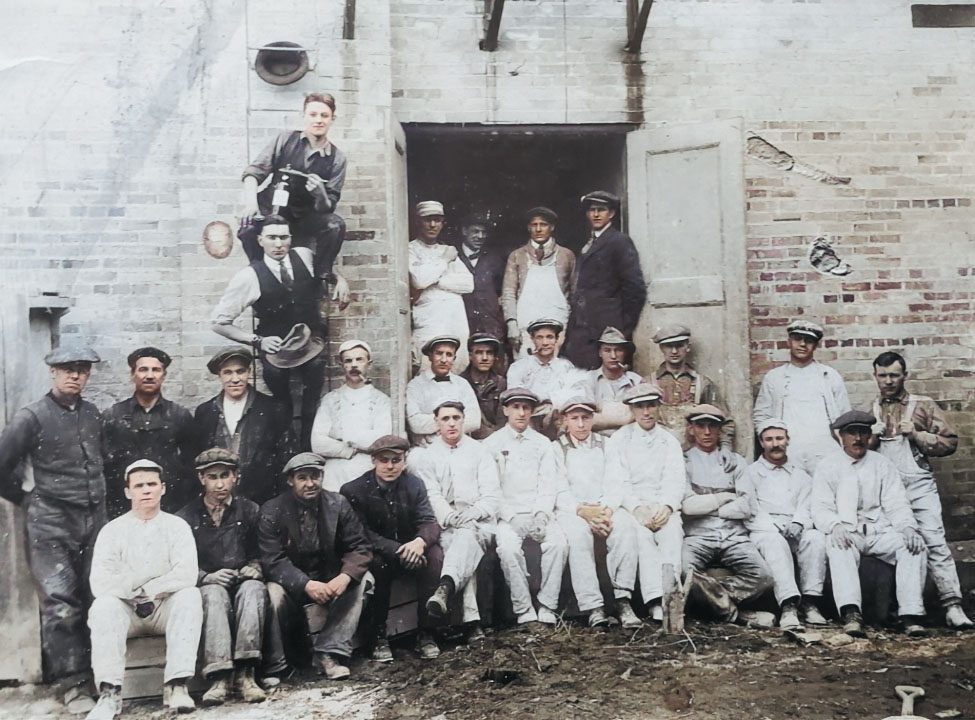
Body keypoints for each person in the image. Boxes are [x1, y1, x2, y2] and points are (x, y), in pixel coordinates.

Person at [0, 344, 105, 713]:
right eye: (67, 369)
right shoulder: (31, 417)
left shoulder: (92, 414)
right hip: (50, 524)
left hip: (94, 520)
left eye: (82, 369)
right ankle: (72, 684)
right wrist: (27, 498)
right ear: (53, 372)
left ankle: (101, 676)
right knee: (61, 604)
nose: (75, 375)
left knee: (98, 596)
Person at [86, 459, 202, 718]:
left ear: (163, 488)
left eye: (152, 484)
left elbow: (187, 574)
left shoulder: (177, 527)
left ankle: (177, 686)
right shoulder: (112, 531)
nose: (146, 490)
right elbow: (100, 582)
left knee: (190, 596)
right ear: (128, 492)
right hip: (127, 610)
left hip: (162, 606)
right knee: (103, 606)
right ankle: (109, 694)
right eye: (139, 486)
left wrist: (152, 587)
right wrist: (130, 589)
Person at [869, 351, 972, 628]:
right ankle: (904, 610)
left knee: (934, 540)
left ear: (905, 375)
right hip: (886, 490)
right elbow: (860, 453)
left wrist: (916, 434)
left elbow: (950, 443)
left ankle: (952, 606)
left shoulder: (922, 405)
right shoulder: (872, 409)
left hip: (918, 485)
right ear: (875, 376)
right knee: (895, 544)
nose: (888, 381)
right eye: (883, 375)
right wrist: (872, 439)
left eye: (894, 375)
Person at [212, 215, 329, 449]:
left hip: (310, 345)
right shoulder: (249, 276)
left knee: (312, 401)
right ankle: (286, 452)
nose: (278, 244)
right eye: (272, 237)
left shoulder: (304, 256)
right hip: (277, 351)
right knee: (281, 404)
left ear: (291, 238)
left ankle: (308, 450)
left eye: (284, 237)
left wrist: (339, 279)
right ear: (260, 240)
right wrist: (258, 341)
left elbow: (325, 272)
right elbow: (218, 322)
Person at [813, 410, 928, 638]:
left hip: (879, 532)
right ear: (841, 436)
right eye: (852, 433)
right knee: (838, 546)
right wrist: (835, 525)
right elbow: (820, 507)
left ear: (869, 436)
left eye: (863, 433)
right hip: (849, 531)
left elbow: (896, 502)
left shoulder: (882, 464)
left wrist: (907, 527)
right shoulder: (828, 465)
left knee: (914, 545)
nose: (858, 439)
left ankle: (910, 615)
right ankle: (851, 613)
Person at [258, 453, 373, 680]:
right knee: (273, 592)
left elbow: (360, 546)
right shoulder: (272, 510)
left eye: (315, 476)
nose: (310, 484)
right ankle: (280, 664)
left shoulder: (338, 503)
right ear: (290, 480)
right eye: (302, 478)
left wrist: (345, 576)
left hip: (330, 581)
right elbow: (272, 560)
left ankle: (328, 652)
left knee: (365, 579)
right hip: (294, 586)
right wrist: (306, 584)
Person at [238, 92, 350, 303]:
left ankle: (321, 279)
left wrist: (320, 194)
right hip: (272, 210)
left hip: (304, 219)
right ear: (304, 116)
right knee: (247, 227)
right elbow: (253, 173)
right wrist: (251, 204)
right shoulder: (285, 140)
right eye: (313, 114)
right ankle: (259, 274)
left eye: (324, 115)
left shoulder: (337, 158)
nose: (318, 120)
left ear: (332, 119)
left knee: (335, 225)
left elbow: (327, 207)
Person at [175, 448, 268, 706]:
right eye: (212, 477)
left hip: (242, 581)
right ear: (201, 478)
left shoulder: (250, 510)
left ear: (235, 476)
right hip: (209, 585)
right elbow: (179, 563)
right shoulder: (185, 517)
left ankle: (246, 675)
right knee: (213, 595)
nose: (219, 484)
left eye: (225, 475)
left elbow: (264, 551)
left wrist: (255, 567)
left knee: (253, 589)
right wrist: (206, 576)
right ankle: (220, 677)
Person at [340, 436, 443, 661]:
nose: (390, 466)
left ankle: (427, 633)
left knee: (435, 555)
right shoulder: (353, 490)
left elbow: (428, 521)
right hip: (381, 553)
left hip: (412, 551)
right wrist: (400, 550)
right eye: (384, 460)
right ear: (373, 460)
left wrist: (419, 543)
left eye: (396, 460)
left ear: (404, 461)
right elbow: (362, 534)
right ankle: (378, 636)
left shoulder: (414, 484)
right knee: (377, 564)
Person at [408, 401, 500, 637]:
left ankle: (446, 587)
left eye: (456, 418)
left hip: (479, 522)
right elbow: (432, 494)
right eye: (445, 419)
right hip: (447, 524)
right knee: (462, 547)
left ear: (463, 420)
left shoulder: (480, 451)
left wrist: (472, 513)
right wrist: (449, 516)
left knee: (466, 538)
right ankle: (471, 622)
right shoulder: (428, 456)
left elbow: (491, 496)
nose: (451, 423)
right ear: (436, 422)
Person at [551, 396, 641, 628]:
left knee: (626, 527)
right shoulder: (557, 448)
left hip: (604, 508)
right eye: (575, 418)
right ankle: (593, 606)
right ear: (565, 420)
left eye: (586, 417)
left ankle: (622, 599)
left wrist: (606, 510)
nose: (581, 424)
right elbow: (559, 490)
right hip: (574, 511)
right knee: (578, 534)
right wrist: (581, 511)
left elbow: (616, 482)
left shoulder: (607, 444)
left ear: (593, 419)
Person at [681, 405, 774, 627]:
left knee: (763, 577)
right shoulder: (683, 461)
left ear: (720, 430)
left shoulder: (735, 462)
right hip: (698, 535)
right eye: (700, 426)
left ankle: (716, 605)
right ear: (691, 429)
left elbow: (746, 507)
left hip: (734, 535)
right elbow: (688, 507)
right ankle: (736, 615)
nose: (706, 432)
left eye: (712, 426)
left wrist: (708, 506)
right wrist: (725, 496)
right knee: (683, 572)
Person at [603, 383, 686, 626]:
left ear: (658, 407)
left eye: (651, 406)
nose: (646, 412)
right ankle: (652, 600)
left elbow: (675, 480)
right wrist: (637, 508)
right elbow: (618, 480)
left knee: (672, 532)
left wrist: (667, 507)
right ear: (632, 410)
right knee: (641, 535)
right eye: (640, 407)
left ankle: (670, 600)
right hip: (631, 506)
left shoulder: (669, 441)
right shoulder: (619, 439)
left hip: (660, 505)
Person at [482, 389, 567, 625]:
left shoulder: (542, 444)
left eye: (526, 408)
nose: (521, 413)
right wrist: (511, 517)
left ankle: (548, 604)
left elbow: (548, 485)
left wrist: (540, 515)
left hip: (538, 512)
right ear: (505, 410)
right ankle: (523, 608)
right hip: (508, 516)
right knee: (508, 549)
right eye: (516, 407)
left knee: (558, 545)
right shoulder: (491, 444)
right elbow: (491, 489)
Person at [738, 419, 828, 630]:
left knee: (815, 539)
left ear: (788, 440)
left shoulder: (800, 474)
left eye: (779, 438)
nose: (775, 444)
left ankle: (810, 602)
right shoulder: (750, 473)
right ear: (762, 443)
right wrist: (775, 527)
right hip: (765, 529)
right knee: (775, 542)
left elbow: (807, 504)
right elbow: (750, 508)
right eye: (769, 439)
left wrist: (798, 522)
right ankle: (788, 605)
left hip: (795, 527)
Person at [193, 347, 296, 505]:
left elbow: (287, 459)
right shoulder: (205, 411)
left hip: (263, 499)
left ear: (249, 372)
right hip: (220, 501)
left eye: (240, 371)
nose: (235, 379)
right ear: (219, 375)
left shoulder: (273, 409)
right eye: (228, 372)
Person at [102, 347, 196, 517]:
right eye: (143, 369)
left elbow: (190, 466)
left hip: (169, 505)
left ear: (164, 376)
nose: (150, 375)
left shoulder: (179, 415)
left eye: (156, 370)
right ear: (133, 375)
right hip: (124, 506)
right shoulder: (113, 415)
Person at [754, 320, 851, 474]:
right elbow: (762, 417)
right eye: (797, 339)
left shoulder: (829, 376)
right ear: (789, 342)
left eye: (809, 341)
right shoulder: (774, 378)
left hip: (825, 450)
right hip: (789, 451)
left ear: (816, 345)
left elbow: (845, 417)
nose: (803, 344)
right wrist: (774, 447)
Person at [563, 191, 647, 370]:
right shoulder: (588, 243)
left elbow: (635, 289)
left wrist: (623, 328)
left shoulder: (619, 242)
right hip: (583, 327)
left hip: (608, 327)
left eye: (601, 210)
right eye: (591, 210)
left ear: (611, 213)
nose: (596, 214)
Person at [310, 339, 392, 490]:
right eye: (348, 361)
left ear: (369, 364)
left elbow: (381, 440)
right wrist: (350, 449)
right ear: (342, 365)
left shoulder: (382, 401)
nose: (354, 365)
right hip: (335, 467)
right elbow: (318, 443)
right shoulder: (330, 400)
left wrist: (341, 437)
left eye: (359, 359)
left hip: (368, 465)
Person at [500, 207, 575, 357]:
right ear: (529, 227)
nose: (538, 229)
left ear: (552, 227)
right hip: (525, 326)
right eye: (534, 225)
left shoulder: (566, 255)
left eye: (543, 224)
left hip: (558, 326)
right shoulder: (517, 256)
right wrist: (511, 323)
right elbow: (508, 292)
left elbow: (575, 293)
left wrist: (570, 329)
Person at [409, 201, 474, 371]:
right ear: (418, 222)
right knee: (428, 366)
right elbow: (420, 280)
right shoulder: (411, 249)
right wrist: (444, 261)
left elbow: (468, 284)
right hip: (429, 318)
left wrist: (437, 281)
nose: (432, 225)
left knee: (456, 366)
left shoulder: (448, 249)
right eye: (427, 220)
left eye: (437, 220)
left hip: (454, 318)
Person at [652, 324, 734, 452]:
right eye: (669, 346)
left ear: (688, 347)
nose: (674, 351)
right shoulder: (649, 383)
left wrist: (725, 447)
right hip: (659, 452)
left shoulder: (703, 383)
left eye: (679, 345)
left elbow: (725, 419)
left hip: (694, 455)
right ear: (661, 348)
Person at [506, 318, 584, 439]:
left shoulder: (566, 367)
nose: (545, 342)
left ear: (556, 339)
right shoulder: (519, 367)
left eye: (550, 337)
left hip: (557, 418)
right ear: (532, 339)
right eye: (539, 337)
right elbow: (516, 399)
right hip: (529, 417)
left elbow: (572, 398)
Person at [405, 336, 481, 446]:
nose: (444, 360)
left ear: (454, 358)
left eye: (449, 355)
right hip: (428, 447)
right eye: (439, 353)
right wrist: (455, 420)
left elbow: (474, 421)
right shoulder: (416, 385)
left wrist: (442, 429)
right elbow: (415, 423)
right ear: (430, 356)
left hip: (460, 446)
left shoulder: (462, 384)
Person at [456, 212, 506, 343]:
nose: (480, 236)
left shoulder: (495, 260)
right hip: (461, 325)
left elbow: (502, 293)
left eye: (484, 232)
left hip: (490, 326)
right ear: (464, 231)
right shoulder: (453, 257)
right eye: (475, 231)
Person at [584, 326, 643, 436]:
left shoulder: (636, 382)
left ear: (624, 353)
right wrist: (626, 419)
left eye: (618, 350)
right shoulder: (588, 380)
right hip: (596, 441)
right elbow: (584, 420)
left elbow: (642, 418)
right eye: (607, 350)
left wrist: (601, 417)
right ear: (600, 353)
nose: (613, 356)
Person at [460, 333, 508, 440]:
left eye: (489, 353)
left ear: (494, 357)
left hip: (497, 439)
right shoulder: (460, 383)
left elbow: (502, 420)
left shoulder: (501, 383)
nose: (485, 358)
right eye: (479, 353)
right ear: (470, 356)